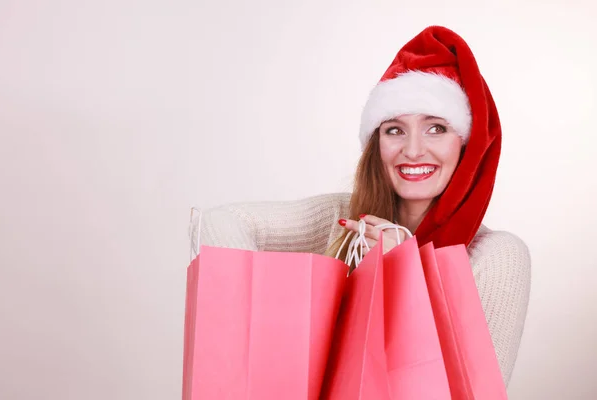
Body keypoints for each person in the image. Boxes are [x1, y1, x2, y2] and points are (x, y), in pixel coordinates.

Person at [195, 25, 531, 387]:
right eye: (394, 130)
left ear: (466, 145)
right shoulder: (344, 220)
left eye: (436, 128)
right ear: (376, 143)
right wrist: (249, 323)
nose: (413, 150)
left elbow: (474, 392)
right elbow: (220, 223)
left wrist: (403, 276)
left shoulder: (496, 257)